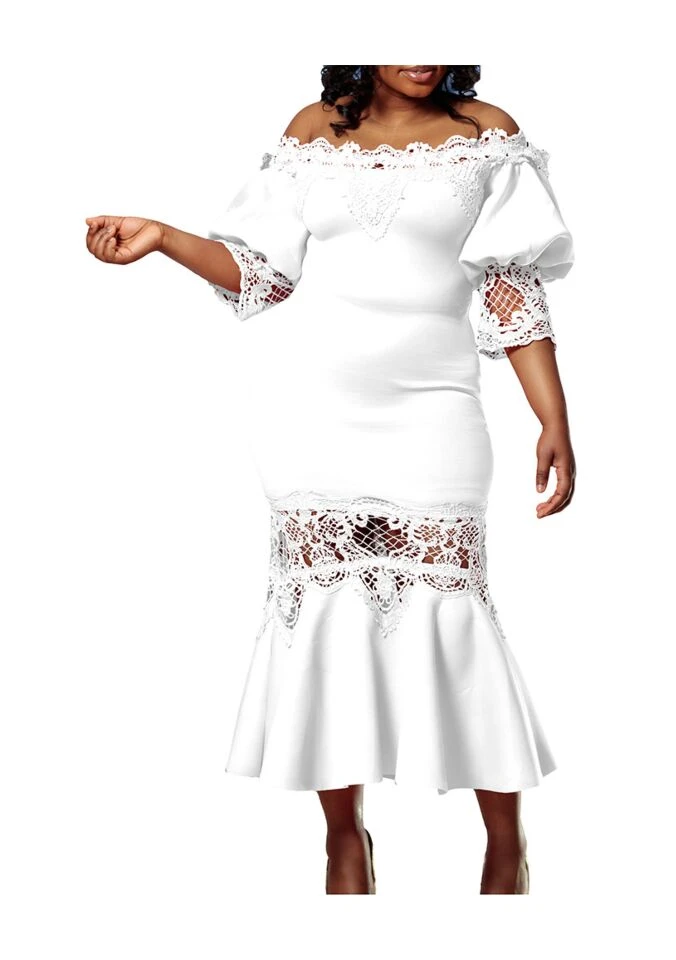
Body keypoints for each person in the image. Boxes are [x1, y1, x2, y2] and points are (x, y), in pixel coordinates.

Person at [84, 64, 576, 895]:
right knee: (325, 619)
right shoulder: (314, 128)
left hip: (435, 408)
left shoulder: (486, 133)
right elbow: (263, 273)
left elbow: (510, 291)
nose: (419, 56)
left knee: (454, 609)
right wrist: (163, 237)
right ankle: (343, 837)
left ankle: (505, 838)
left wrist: (551, 416)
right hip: (312, 415)